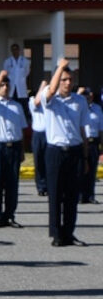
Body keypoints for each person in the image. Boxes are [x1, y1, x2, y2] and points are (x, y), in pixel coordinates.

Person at [38, 58, 88, 247]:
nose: (67, 83)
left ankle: (69, 233)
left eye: (70, 79)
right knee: (56, 194)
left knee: (72, 196)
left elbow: (82, 129)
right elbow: (50, 91)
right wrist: (59, 67)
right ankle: (56, 234)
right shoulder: (50, 99)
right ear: (57, 80)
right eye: (64, 80)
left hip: (74, 151)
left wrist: (85, 157)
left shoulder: (80, 101)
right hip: (55, 152)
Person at [0, 71, 26, 228]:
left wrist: (22, 150)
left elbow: (20, 129)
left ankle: (10, 215)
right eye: (2, 85)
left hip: (14, 146)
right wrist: (0, 77)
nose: (5, 87)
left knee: (12, 183)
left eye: (7, 84)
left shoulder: (17, 106)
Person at [78, 87, 101, 205]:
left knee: (92, 170)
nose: (88, 97)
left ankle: (90, 195)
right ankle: (80, 195)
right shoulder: (78, 108)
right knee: (81, 169)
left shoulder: (97, 109)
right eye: (86, 95)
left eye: (90, 95)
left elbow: (101, 128)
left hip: (93, 142)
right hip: (81, 142)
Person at [30, 83, 49, 197]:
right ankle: (41, 186)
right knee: (39, 161)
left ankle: (49, 185)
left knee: (49, 161)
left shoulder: (49, 103)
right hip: (38, 134)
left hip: (49, 134)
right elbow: (37, 102)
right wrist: (43, 86)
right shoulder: (32, 100)